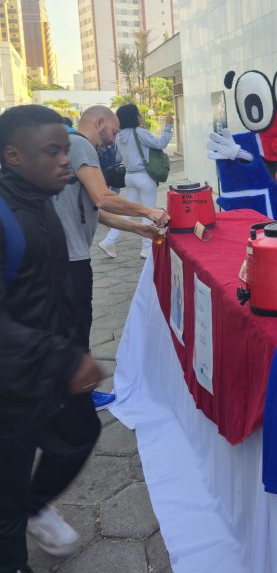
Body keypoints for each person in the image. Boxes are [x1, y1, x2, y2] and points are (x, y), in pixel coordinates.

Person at [0, 105, 104, 571]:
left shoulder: (42, 201)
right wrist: (62, 356)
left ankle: (32, 506)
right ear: (14, 156)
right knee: (6, 502)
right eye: (52, 152)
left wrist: (71, 352)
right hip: (9, 388)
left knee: (82, 432)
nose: (66, 160)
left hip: (49, 369)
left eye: (65, 149)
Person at [52, 105, 169, 410]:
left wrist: (137, 228)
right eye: (114, 132)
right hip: (70, 259)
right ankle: (79, 398)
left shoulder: (71, 146)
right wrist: (149, 211)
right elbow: (103, 198)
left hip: (63, 256)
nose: (114, 139)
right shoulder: (81, 145)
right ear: (99, 121)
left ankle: (66, 394)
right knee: (78, 326)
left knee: (69, 326)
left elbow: (96, 210)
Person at [98, 104, 173, 259]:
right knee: (149, 212)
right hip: (144, 177)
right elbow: (161, 144)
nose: (140, 116)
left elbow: (118, 157)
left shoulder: (119, 136)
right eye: (138, 114)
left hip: (129, 176)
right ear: (133, 117)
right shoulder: (139, 132)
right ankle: (147, 248)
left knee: (128, 211)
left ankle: (108, 241)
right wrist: (168, 126)